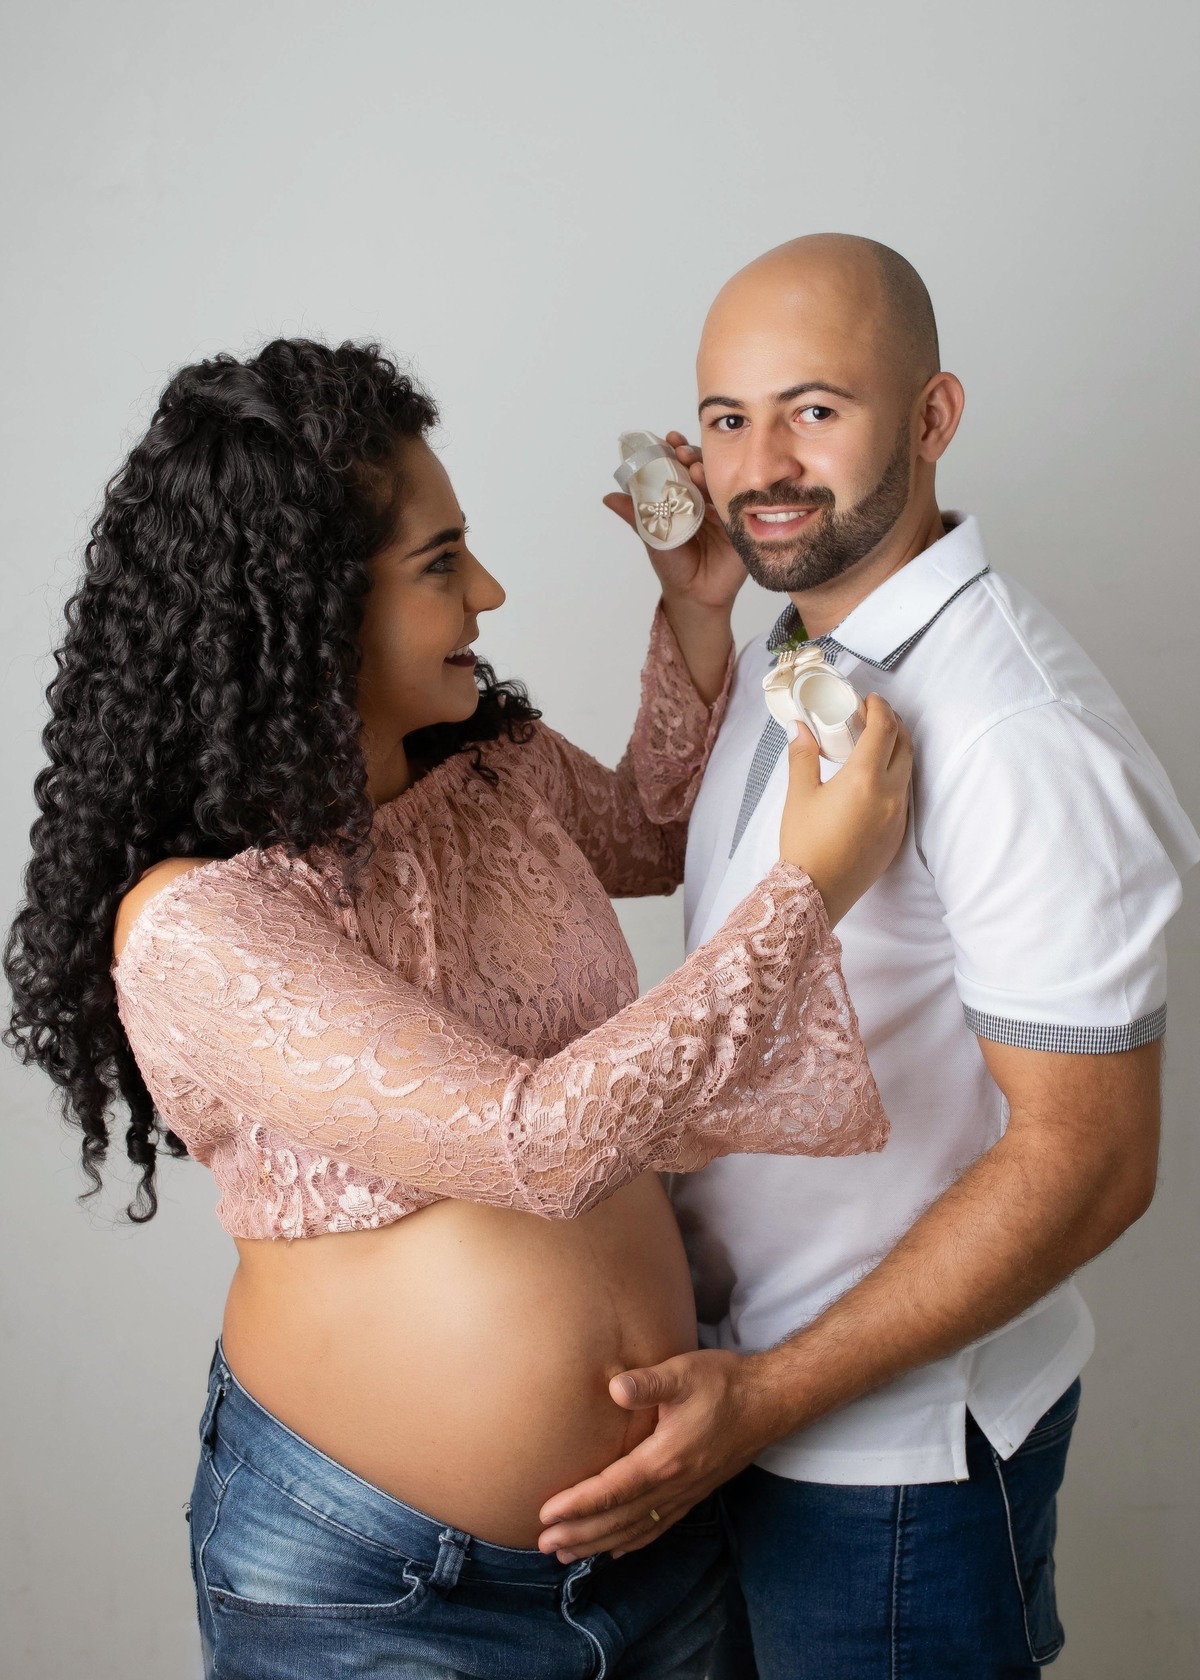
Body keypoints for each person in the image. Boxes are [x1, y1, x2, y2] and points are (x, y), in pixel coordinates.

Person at [4, 337, 912, 1679]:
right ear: (304, 606)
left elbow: (654, 830)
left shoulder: (487, 768)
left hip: (664, 1537)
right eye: (440, 565)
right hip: (381, 1596)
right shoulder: (199, 927)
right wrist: (808, 894)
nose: (487, 591)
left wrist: (696, 612)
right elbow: (527, 1142)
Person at [538, 235, 1200, 1678]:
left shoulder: (1017, 734)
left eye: (816, 409)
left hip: (886, 1469)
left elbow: (1093, 1162)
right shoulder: (804, 646)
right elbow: (692, 860)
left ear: (934, 416)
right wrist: (698, 605)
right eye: (727, 420)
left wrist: (772, 1397)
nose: (762, 465)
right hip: (750, 1416)